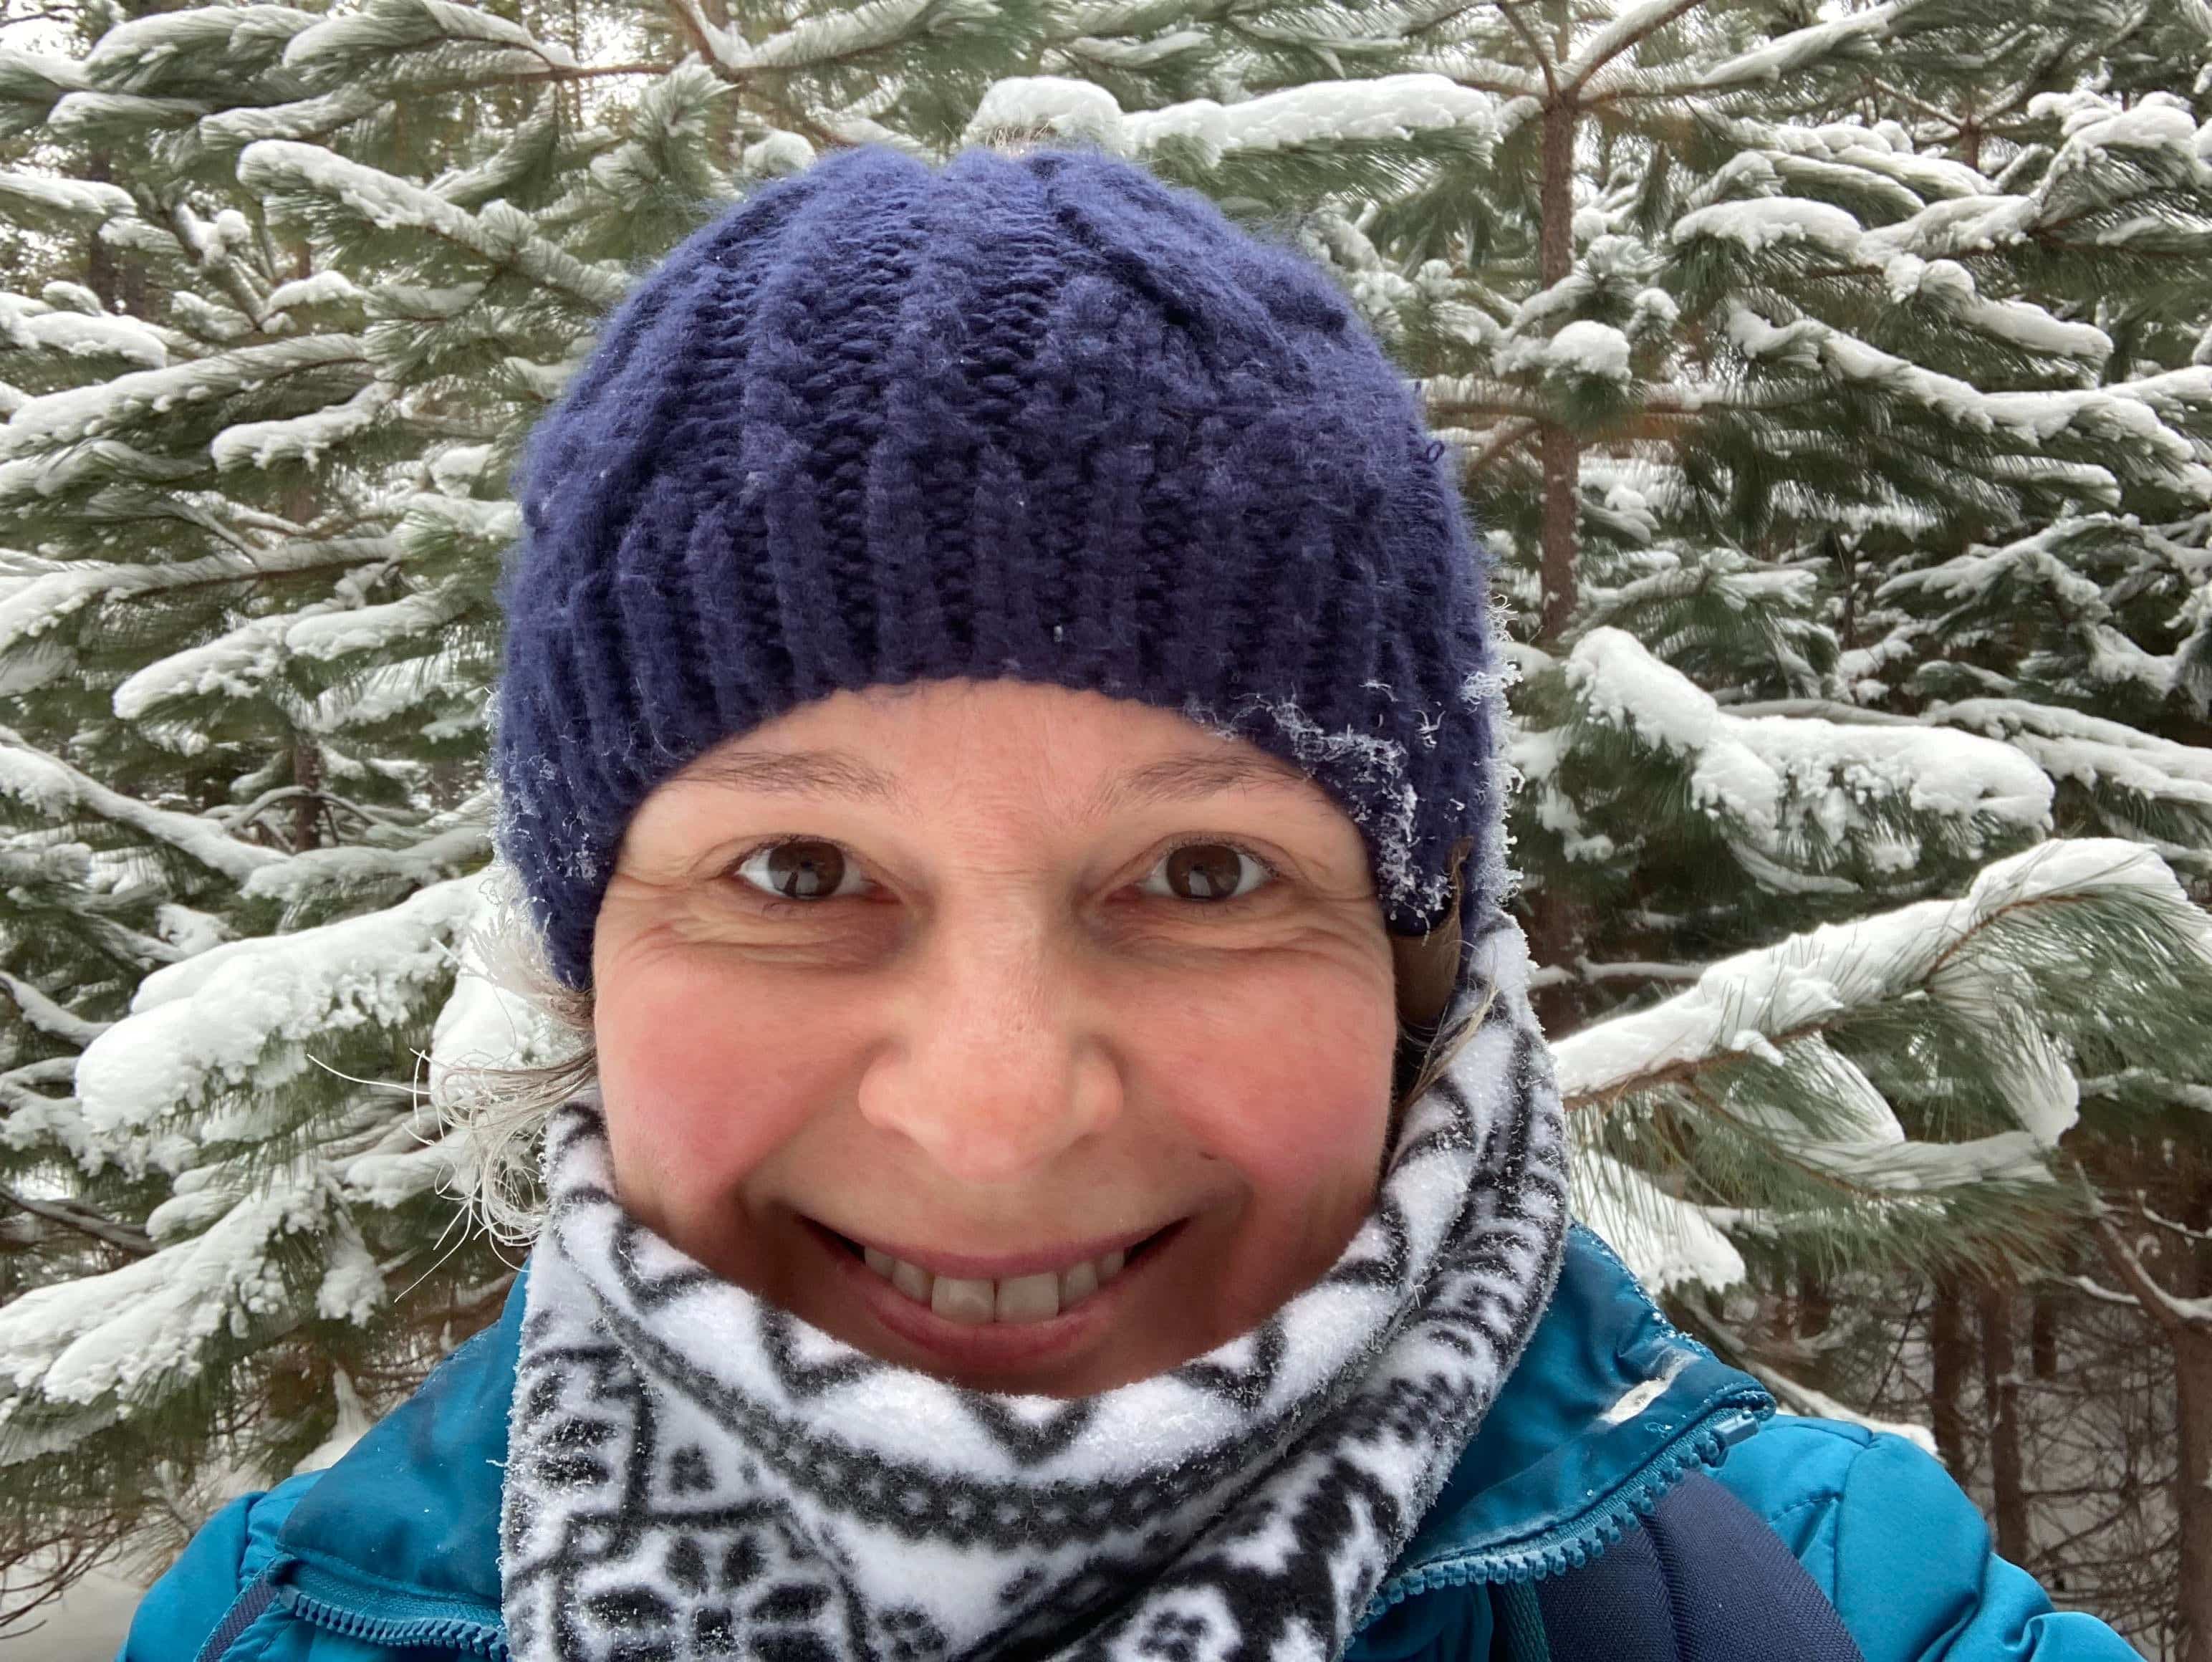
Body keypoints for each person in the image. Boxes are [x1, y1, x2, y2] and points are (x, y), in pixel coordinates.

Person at [122, 142, 2140, 1662]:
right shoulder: (282, 1626)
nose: (996, 1117)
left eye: (1201, 874)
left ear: (1411, 963)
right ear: (587, 953)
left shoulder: (1822, 1603)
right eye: (798, 873)